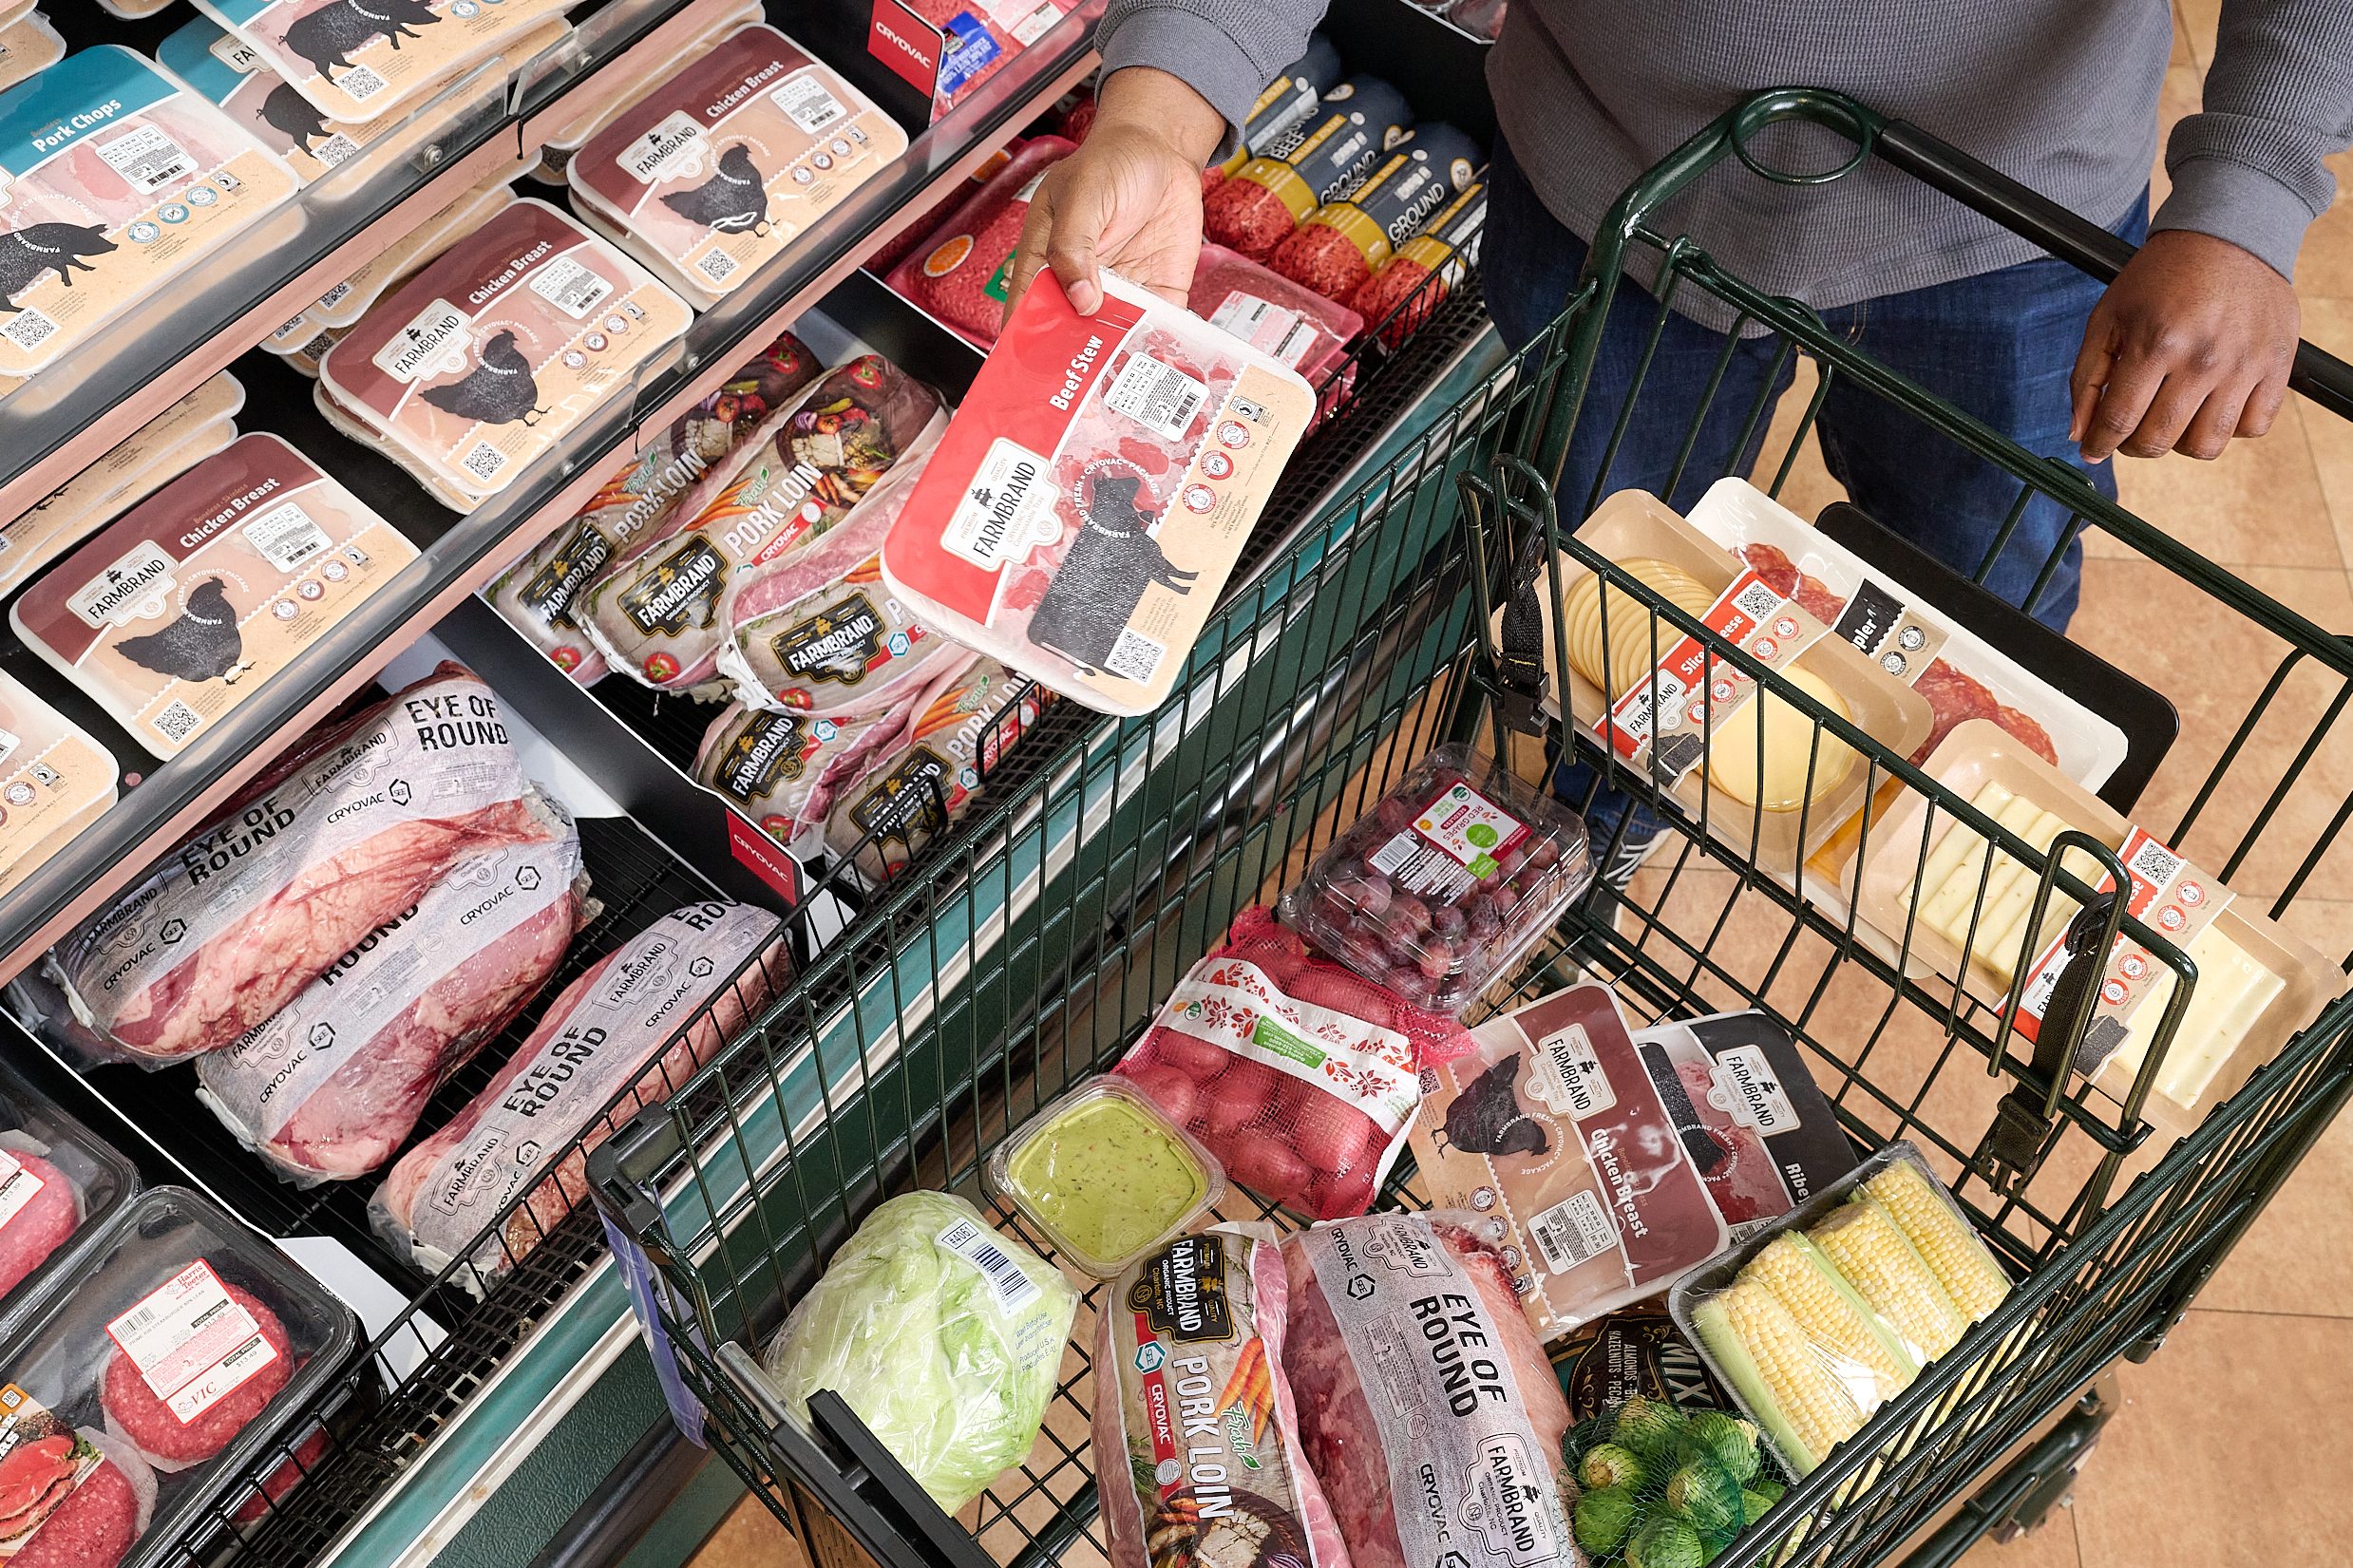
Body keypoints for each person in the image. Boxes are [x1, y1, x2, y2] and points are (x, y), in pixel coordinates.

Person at [1004, 0, 2351, 882]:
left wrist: (2244, 194)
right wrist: (1154, 114)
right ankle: (1598, 833)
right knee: (1607, 587)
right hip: (1612, 178)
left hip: (2016, 212)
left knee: (1974, 598)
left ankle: (1928, 863)